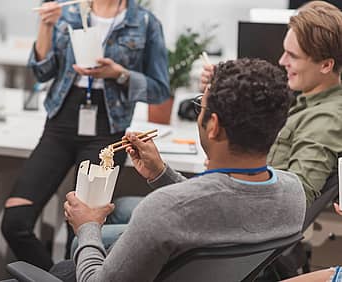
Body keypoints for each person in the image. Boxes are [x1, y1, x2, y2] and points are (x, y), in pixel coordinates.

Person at [60, 58, 306, 281]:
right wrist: (160, 173)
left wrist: (88, 226)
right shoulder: (293, 195)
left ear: (214, 126)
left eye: (201, 105)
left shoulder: (161, 209)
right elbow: (213, 205)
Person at [1, 0, 170, 271]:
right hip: (60, 123)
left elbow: (160, 90)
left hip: (108, 132)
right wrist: (46, 25)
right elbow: (41, 72)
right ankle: (54, 277)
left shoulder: (146, 22)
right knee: (15, 222)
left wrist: (119, 74)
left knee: (81, 233)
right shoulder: (67, 13)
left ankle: (69, 274)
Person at [201, 0, 342, 206]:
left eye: (293, 56)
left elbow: (297, 198)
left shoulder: (326, 119)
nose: (282, 61)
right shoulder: (306, 100)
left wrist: (236, 172)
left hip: (250, 219)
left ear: (326, 65)